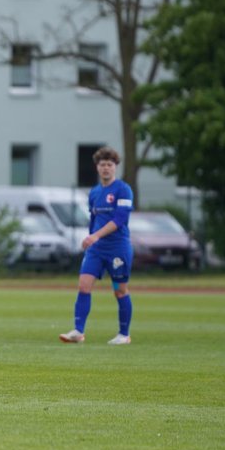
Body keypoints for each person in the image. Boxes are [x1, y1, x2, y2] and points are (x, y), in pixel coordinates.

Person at [59, 146, 134, 345]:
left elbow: (120, 219)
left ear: (115, 167)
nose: (106, 168)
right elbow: (94, 219)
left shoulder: (123, 189)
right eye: (102, 165)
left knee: (119, 290)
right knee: (83, 285)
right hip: (97, 249)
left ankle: (124, 334)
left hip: (118, 248)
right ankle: (78, 331)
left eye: (110, 165)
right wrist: (91, 238)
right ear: (97, 167)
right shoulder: (94, 193)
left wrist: (95, 236)